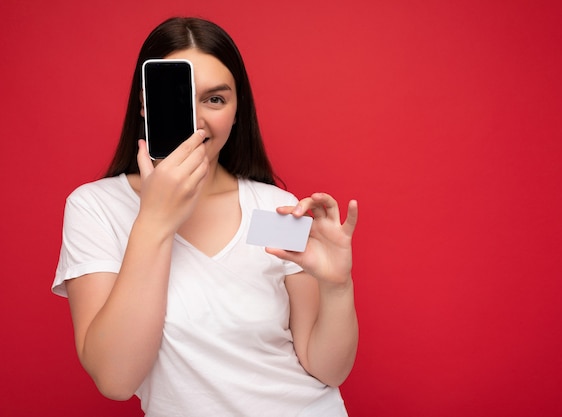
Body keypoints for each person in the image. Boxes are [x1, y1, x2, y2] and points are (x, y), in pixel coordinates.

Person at [52, 16, 358, 417]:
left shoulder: (275, 208)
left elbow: (327, 371)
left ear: (236, 111)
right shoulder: (96, 208)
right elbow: (114, 378)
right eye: (178, 97)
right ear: (145, 104)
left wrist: (337, 287)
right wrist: (155, 220)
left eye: (215, 99)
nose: (196, 120)